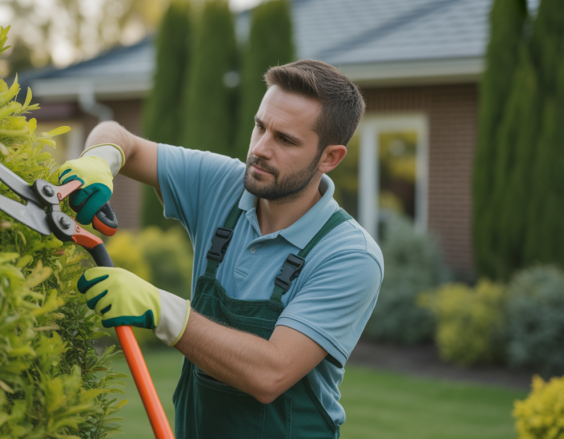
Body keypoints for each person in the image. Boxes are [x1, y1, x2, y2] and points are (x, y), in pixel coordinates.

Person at [56, 60, 384, 439]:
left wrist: (164, 311)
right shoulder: (224, 185)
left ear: (330, 158)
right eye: (260, 126)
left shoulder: (349, 255)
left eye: (286, 139)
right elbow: (118, 135)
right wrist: (101, 159)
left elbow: (270, 373)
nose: (260, 149)